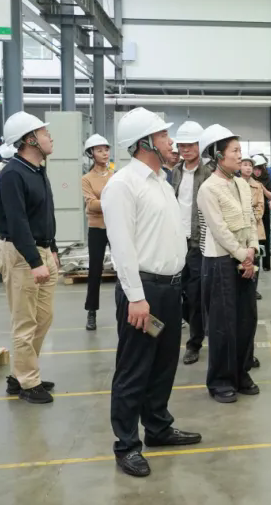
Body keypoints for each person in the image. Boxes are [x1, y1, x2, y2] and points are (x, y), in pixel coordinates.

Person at [102, 108, 201, 478]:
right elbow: (122, 247)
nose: (171, 142)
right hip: (143, 294)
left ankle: (157, 427)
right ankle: (126, 445)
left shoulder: (162, 181)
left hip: (169, 292)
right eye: (163, 136)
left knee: (163, 364)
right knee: (134, 369)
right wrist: (136, 297)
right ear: (144, 143)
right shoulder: (123, 185)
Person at [0, 112, 59, 404]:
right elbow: (18, 222)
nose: (50, 137)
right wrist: (35, 262)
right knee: (25, 321)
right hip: (21, 253)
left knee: (43, 318)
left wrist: (52, 248)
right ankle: (28, 382)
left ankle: (19, 373)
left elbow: (44, 214)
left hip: (42, 250)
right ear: (30, 139)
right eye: (44, 133)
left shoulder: (37, 170)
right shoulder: (13, 174)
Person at [196, 126, 261, 404]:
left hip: (245, 258)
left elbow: (250, 221)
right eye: (235, 151)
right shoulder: (208, 189)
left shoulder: (242, 185)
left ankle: (240, 372)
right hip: (220, 262)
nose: (240, 156)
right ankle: (220, 380)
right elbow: (219, 229)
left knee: (246, 320)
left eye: (240, 150)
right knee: (223, 324)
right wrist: (242, 255)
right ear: (218, 155)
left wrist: (252, 250)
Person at [170, 121, 212, 365]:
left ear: (200, 145)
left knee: (196, 295)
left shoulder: (209, 171)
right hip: (178, 241)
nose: (185, 150)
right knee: (179, 293)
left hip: (199, 242)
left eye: (190, 145)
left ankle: (194, 343)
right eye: (182, 145)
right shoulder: (175, 171)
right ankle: (200, 326)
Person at [81, 133, 114, 332]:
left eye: (106, 149)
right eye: (99, 150)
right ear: (91, 154)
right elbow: (91, 205)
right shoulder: (87, 179)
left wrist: (101, 204)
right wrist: (111, 203)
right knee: (95, 271)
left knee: (125, 267)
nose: (104, 153)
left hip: (115, 226)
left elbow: (98, 203)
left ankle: (128, 307)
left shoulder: (115, 175)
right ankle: (91, 312)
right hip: (96, 229)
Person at [242, 156, 270, 304]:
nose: (248, 168)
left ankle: (253, 288)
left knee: (255, 259)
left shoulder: (257, 186)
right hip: (239, 227)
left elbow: (260, 206)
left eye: (250, 166)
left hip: (255, 227)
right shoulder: (233, 183)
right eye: (245, 165)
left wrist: (251, 217)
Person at [251, 155, 271, 272]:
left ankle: (266, 264)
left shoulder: (268, 178)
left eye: (259, 169)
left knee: (265, 237)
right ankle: (254, 263)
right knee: (252, 238)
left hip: (264, 212)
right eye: (255, 169)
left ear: (263, 169)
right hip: (252, 212)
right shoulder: (248, 178)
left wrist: (262, 187)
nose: (257, 172)